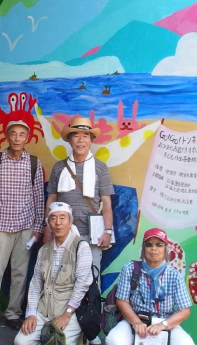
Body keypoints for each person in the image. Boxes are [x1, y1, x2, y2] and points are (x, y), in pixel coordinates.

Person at [0, 120, 45, 332]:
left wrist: (38, 226)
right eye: (13, 134)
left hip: (25, 227)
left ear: (27, 138)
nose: (17, 138)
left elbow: (38, 197)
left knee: (20, 273)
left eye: (21, 135)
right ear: (6, 136)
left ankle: (13, 314)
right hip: (0, 226)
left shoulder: (34, 163)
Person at [46, 116, 114, 281]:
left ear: (91, 140)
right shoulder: (59, 167)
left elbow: (106, 203)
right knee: (62, 278)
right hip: (62, 232)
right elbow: (51, 199)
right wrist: (47, 228)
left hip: (92, 235)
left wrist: (108, 232)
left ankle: (91, 308)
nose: (80, 140)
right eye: (76, 135)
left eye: (85, 136)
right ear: (69, 140)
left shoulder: (100, 168)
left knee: (91, 278)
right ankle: (65, 308)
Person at [15, 202, 92, 345]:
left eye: (63, 218)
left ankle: (79, 336)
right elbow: (36, 284)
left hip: (70, 312)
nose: (58, 223)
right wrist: (31, 314)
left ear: (70, 222)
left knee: (58, 342)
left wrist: (67, 313)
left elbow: (82, 284)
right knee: (21, 342)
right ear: (49, 224)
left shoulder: (81, 247)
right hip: (44, 312)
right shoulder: (44, 250)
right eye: (53, 218)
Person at [105, 228, 195, 345]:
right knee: (114, 340)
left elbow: (184, 311)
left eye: (159, 245)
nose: (154, 249)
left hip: (164, 320)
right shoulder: (130, 269)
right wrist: (136, 322)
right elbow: (122, 301)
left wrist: (162, 325)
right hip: (134, 318)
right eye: (149, 244)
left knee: (186, 343)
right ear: (143, 249)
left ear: (165, 249)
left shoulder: (174, 275)